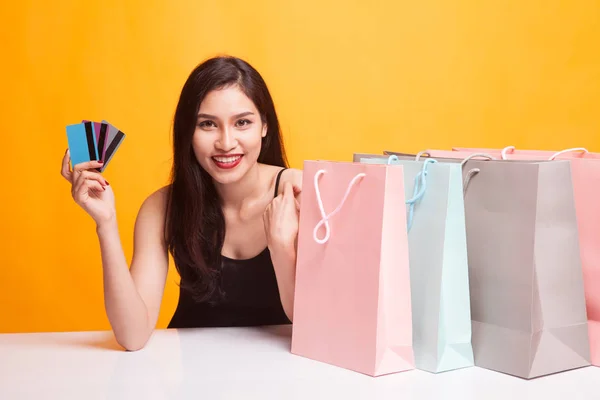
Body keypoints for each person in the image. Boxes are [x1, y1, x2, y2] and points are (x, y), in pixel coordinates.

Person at [60, 56, 303, 351]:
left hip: (282, 380)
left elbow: (309, 323)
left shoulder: (298, 193)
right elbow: (132, 336)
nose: (226, 142)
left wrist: (282, 248)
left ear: (264, 126)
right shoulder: (161, 208)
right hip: (193, 380)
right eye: (207, 124)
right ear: (187, 131)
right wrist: (105, 223)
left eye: (242, 122)